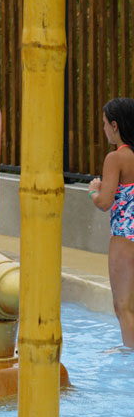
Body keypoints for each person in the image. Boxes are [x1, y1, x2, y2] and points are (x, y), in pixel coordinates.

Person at [89, 97, 134, 348]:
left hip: (124, 238)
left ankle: (130, 365)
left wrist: (93, 190)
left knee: (124, 308)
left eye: (105, 124)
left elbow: (105, 202)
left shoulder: (116, 158)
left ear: (115, 125)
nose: (104, 129)